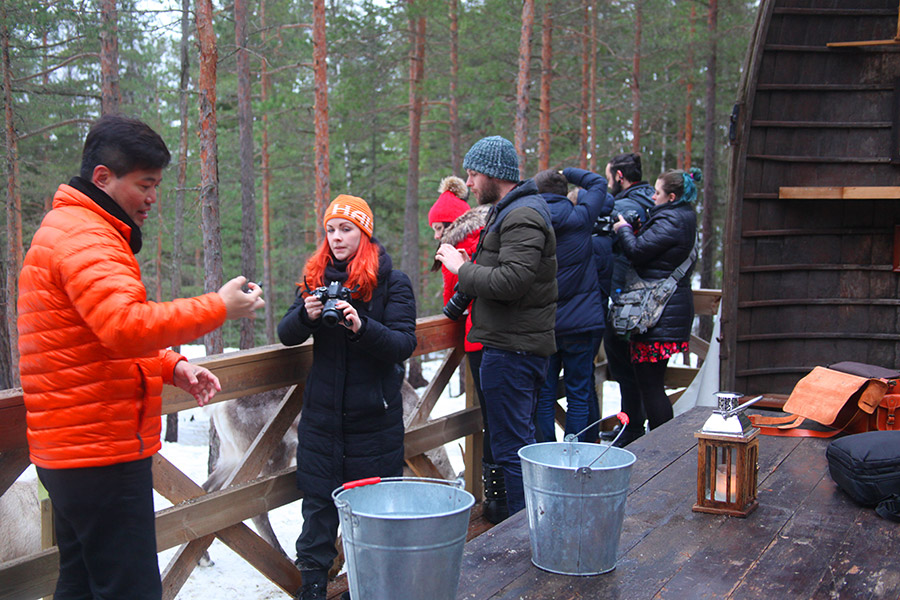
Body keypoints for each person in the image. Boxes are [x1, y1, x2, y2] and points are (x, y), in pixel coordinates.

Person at [16, 114, 265, 600]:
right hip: (98, 453)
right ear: (103, 178)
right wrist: (219, 306)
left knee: (83, 583)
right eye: (145, 184)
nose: (152, 197)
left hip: (72, 451)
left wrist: (171, 365)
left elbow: (94, 343)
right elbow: (124, 327)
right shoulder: (87, 239)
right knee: (129, 588)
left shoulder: (72, 229)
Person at [278, 194, 417, 600]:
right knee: (318, 507)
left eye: (346, 229)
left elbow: (403, 343)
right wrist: (306, 314)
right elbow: (287, 334)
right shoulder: (315, 277)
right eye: (331, 230)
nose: (337, 238)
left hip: (373, 418)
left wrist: (362, 326)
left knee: (372, 509)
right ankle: (314, 585)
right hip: (323, 417)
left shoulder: (392, 281)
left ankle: (373, 585)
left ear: (364, 232)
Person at [435, 135, 557, 517]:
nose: (468, 183)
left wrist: (460, 268)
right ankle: (532, 530)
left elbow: (510, 282)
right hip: (511, 345)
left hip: (512, 350)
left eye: (472, 175)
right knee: (517, 444)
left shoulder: (522, 215)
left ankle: (526, 535)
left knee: (512, 449)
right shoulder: (512, 212)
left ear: (493, 174)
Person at [428, 177, 507, 522]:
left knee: (493, 420)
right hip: (503, 338)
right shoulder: (489, 232)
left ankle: (496, 499)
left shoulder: (459, 245)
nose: (434, 235)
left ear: (451, 225)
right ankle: (502, 496)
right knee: (504, 419)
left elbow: (452, 298)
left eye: (437, 228)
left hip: (480, 339)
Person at [612, 168, 699, 432]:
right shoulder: (679, 217)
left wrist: (624, 229)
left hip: (658, 316)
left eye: (657, 192)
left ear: (671, 196)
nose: (652, 197)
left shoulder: (671, 220)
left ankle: (661, 446)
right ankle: (659, 443)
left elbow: (637, 252)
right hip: (664, 313)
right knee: (651, 384)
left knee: (650, 386)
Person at [532, 168, 612, 442]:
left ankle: (546, 454)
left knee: (544, 393)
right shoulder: (581, 218)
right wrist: (568, 172)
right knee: (579, 392)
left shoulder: (531, 222)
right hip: (582, 323)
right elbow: (599, 182)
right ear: (566, 193)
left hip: (545, 324)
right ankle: (575, 454)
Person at [602, 152, 656, 446]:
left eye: (609, 175)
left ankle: (632, 427)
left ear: (620, 176)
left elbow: (607, 244)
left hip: (625, 297)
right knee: (641, 367)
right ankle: (633, 423)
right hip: (651, 298)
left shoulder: (622, 206)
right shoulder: (655, 200)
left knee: (624, 365)